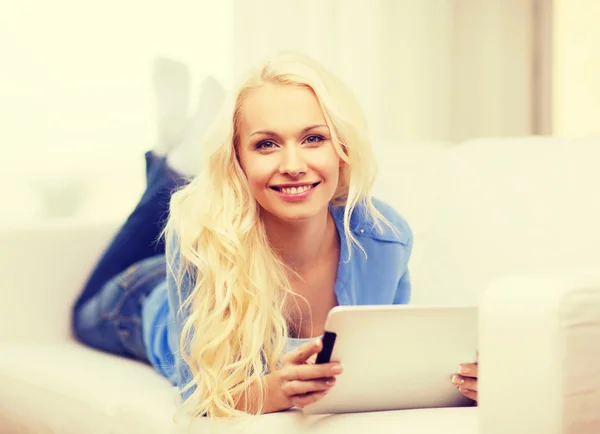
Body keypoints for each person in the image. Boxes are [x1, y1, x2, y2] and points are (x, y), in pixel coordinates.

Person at [72, 52, 479, 420]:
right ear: (238, 161)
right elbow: (198, 393)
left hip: (215, 247)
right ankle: (168, 162)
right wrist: (273, 391)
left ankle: (174, 151)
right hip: (138, 298)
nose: (293, 164)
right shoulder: (202, 238)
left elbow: (392, 360)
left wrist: (471, 380)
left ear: (342, 148)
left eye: (313, 138)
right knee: (84, 310)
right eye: (266, 144)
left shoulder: (383, 237)